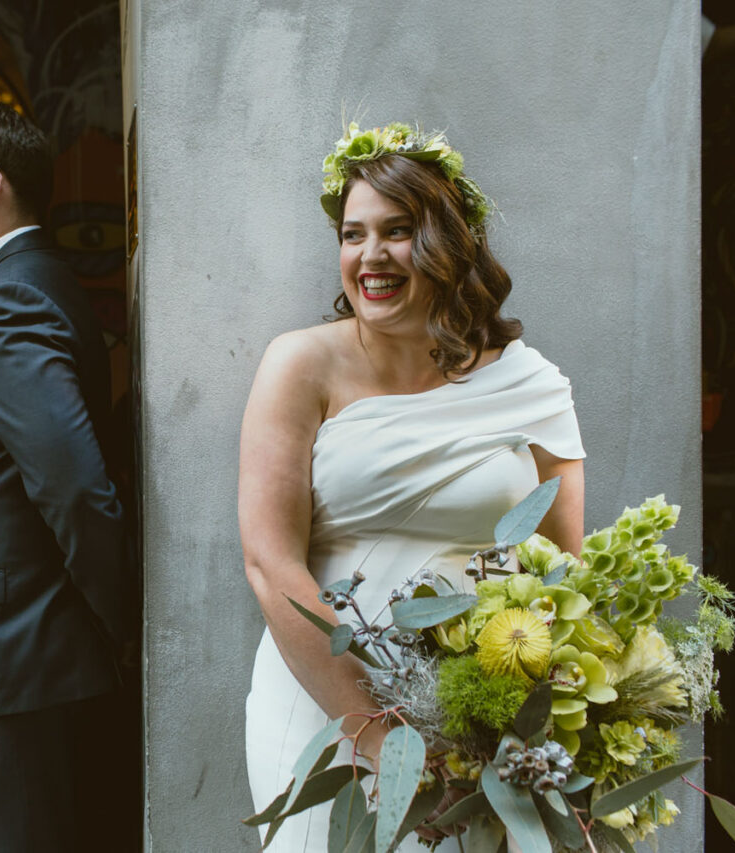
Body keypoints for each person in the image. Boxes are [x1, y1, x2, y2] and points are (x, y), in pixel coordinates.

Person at [239, 123, 585, 850]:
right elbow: (271, 564)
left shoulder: (530, 384)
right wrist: (381, 739)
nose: (370, 256)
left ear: (448, 244)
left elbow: (565, 572)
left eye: (397, 231)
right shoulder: (299, 365)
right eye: (352, 233)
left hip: (481, 707)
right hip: (326, 699)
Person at [0, 104, 137, 852]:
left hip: (14, 653)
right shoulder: (26, 281)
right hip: (15, 652)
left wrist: (115, 626)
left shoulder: (10, 296)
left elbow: (74, 486)